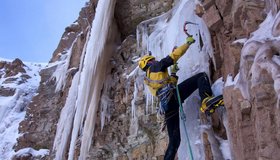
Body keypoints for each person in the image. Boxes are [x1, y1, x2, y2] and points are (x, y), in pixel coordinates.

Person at [138, 36, 223, 160]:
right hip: (173, 97)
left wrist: (173, 73)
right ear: (149, 62)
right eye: (153, 60)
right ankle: (206, 101)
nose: (155, 61)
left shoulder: (149, 78)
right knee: (201, 77)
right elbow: (173, 57)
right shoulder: (155, 67)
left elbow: (167, 85)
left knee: (175, 140)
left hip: (167, 106)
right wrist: (187, 44)